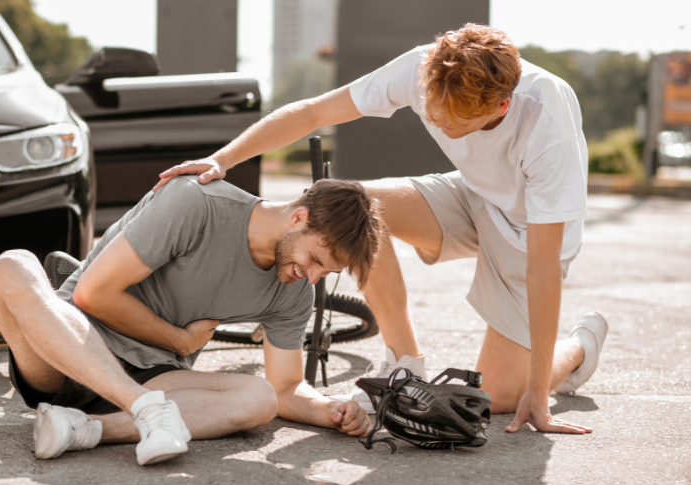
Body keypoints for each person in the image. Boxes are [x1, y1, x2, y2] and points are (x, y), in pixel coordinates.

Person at [154, 24, 609, 435]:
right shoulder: (423, 67)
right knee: (358, 205)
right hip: (473, 197)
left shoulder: (546, 119)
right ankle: (406, 362)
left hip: (529, 233)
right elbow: (314, 112)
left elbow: (544, 266)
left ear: (501, 104)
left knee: (501, 399)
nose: (440, 124)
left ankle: (577, 349)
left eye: (454, 120)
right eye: (433, 111)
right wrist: (224, 158)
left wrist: (539, 397)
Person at [0, 176, 381, 465]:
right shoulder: (195, 202)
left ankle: (84, 428)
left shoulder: (292, 290)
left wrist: (330, 410)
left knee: (259, 398)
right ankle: (143, 409)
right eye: (315, 259)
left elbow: (287, 387)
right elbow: (93, 294)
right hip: (68, 348)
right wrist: (179, 341)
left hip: (155, 376)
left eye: (326, 273)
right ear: (298, 217)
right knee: (12, 264)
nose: (312, 276)